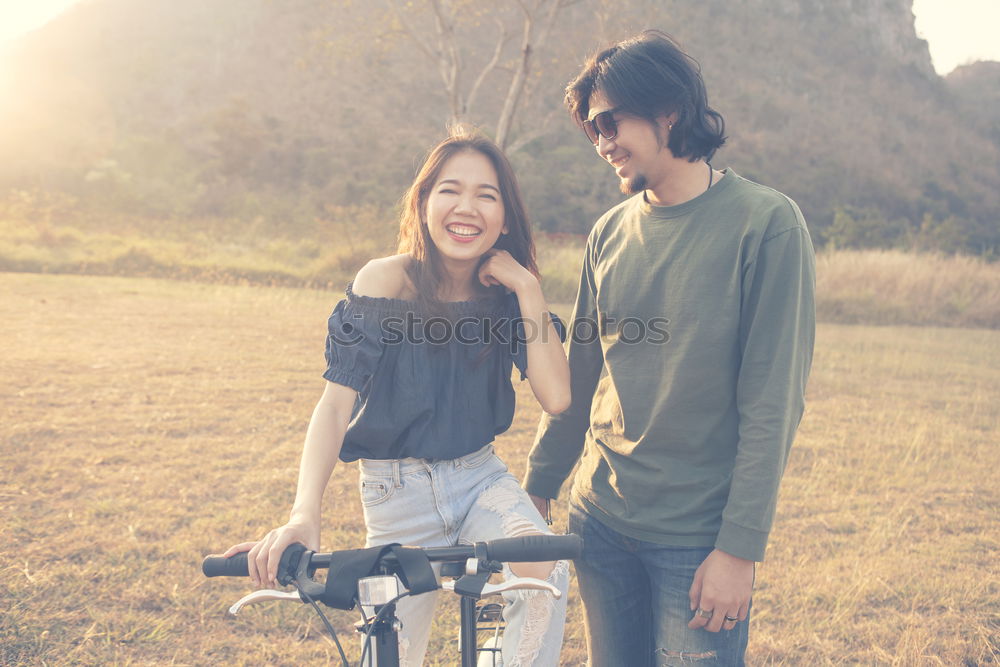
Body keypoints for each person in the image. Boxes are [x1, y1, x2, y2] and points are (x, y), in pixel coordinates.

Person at [225, 128, 572, 666]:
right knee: (390, 651)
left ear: (504, 217)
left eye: (487, 194)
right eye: (450, 190)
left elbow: (556, 396)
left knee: (543, 562)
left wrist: (527, 288)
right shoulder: (384, 281)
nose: (466, 207)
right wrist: (303, 515)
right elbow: (335, 405)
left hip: (481, 479)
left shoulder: (508, 296)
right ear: (424, 202)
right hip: (395, 492)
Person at [523, 31, 816, 666]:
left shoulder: (767, 225)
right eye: (591, 131)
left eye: (609, 122)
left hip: (695, 538)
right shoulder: (608, 232)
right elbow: (579, 374)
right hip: (598, 520)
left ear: (668, 111)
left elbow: (772, 404)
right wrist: (539, 486)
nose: (601, 143)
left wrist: (738, 551)